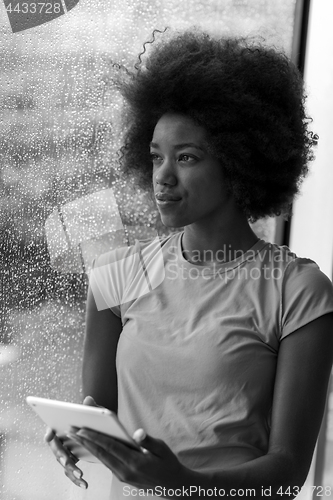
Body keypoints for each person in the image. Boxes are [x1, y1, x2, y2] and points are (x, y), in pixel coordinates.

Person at [45, 29, 333, 499]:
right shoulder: (115, 276)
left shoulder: (298, 292)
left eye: (186, 157)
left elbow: (288, 470)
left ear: (239, 163)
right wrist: (75, 436)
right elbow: (107, 424)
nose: (163, 176)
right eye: (156, 156)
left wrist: (187, 485)